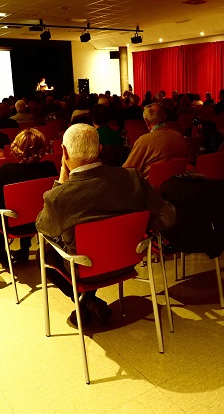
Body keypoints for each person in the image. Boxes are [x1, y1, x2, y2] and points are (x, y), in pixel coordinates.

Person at [36, 123, 176, 326]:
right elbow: (168, 216)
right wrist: (143, 228)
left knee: (46, 253)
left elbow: (43, 227)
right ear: (100, 149)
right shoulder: (133, 178)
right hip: (128, 261)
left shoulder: (59, 197)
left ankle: (85, 301)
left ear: (64, 152)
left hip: (86, 271)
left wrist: (60, 183)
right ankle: (89, 302)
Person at [0, 129, 58, 266]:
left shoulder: (7, 170)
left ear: (16, 147)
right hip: (42, 221)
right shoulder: (49, 167)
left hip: (14, 225)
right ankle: (24, 250)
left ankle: (2, 255)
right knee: (30, 206)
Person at [122, 103, 188, 178]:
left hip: (150, 184)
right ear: (165, 117)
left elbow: (127, 170)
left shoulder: (144, 141)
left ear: (146, 121)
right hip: (177, 182)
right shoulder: (179, 137)